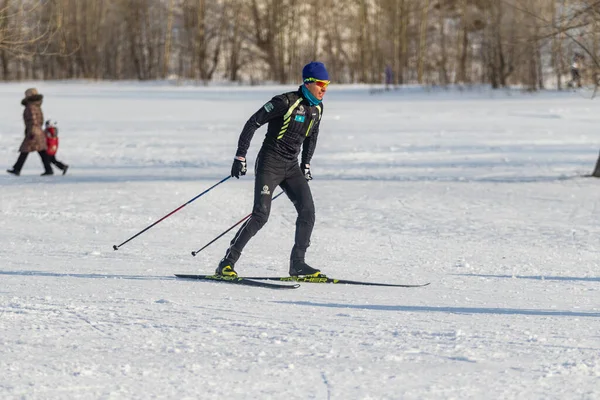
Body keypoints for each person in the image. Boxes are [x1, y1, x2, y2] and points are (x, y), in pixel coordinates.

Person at [215, 61, 330, 278]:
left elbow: (312, 136)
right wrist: (241, 155)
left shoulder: (317, 108)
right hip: (270, 163)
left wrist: (306, 163)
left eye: (327, 84)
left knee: (308, 212)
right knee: (261, 216)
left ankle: (297, 264)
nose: (324, 88)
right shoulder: (284, 102)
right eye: (321, 84)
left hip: (291, 167)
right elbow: (252, 122)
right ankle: (226, 263)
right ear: (308, 83)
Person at [7, 88, 53, 176]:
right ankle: (49, 169)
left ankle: (17, 169)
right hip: (37, 131)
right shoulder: (36, 105)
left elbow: (33, 120)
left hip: (33, 132)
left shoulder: (31, 106)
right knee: (40, 151)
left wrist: (32, 131)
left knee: (25, 150)